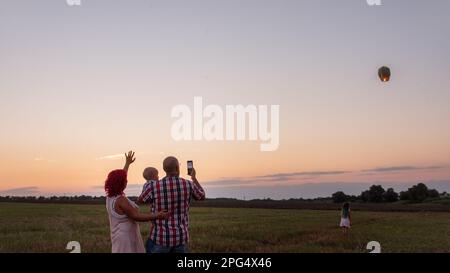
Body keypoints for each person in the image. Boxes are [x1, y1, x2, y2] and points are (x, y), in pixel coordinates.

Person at [105, 151, 169, 253]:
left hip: (119, 236)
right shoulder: (121, 200)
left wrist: (127, 163)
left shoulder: (110, 197)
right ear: (120, 184)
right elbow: (136, 216)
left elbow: (121, 176)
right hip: (126, 238)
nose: (127, 181)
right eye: (125, 181)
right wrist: (157, 215)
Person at [139, 156, 206, 253]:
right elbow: (202, 196)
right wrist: (194, 178)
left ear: (164, 169)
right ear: (177, 168)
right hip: (180, 238)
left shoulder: (153, 186)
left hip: (159, 238)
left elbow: (140, 200)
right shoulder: (188, 184)